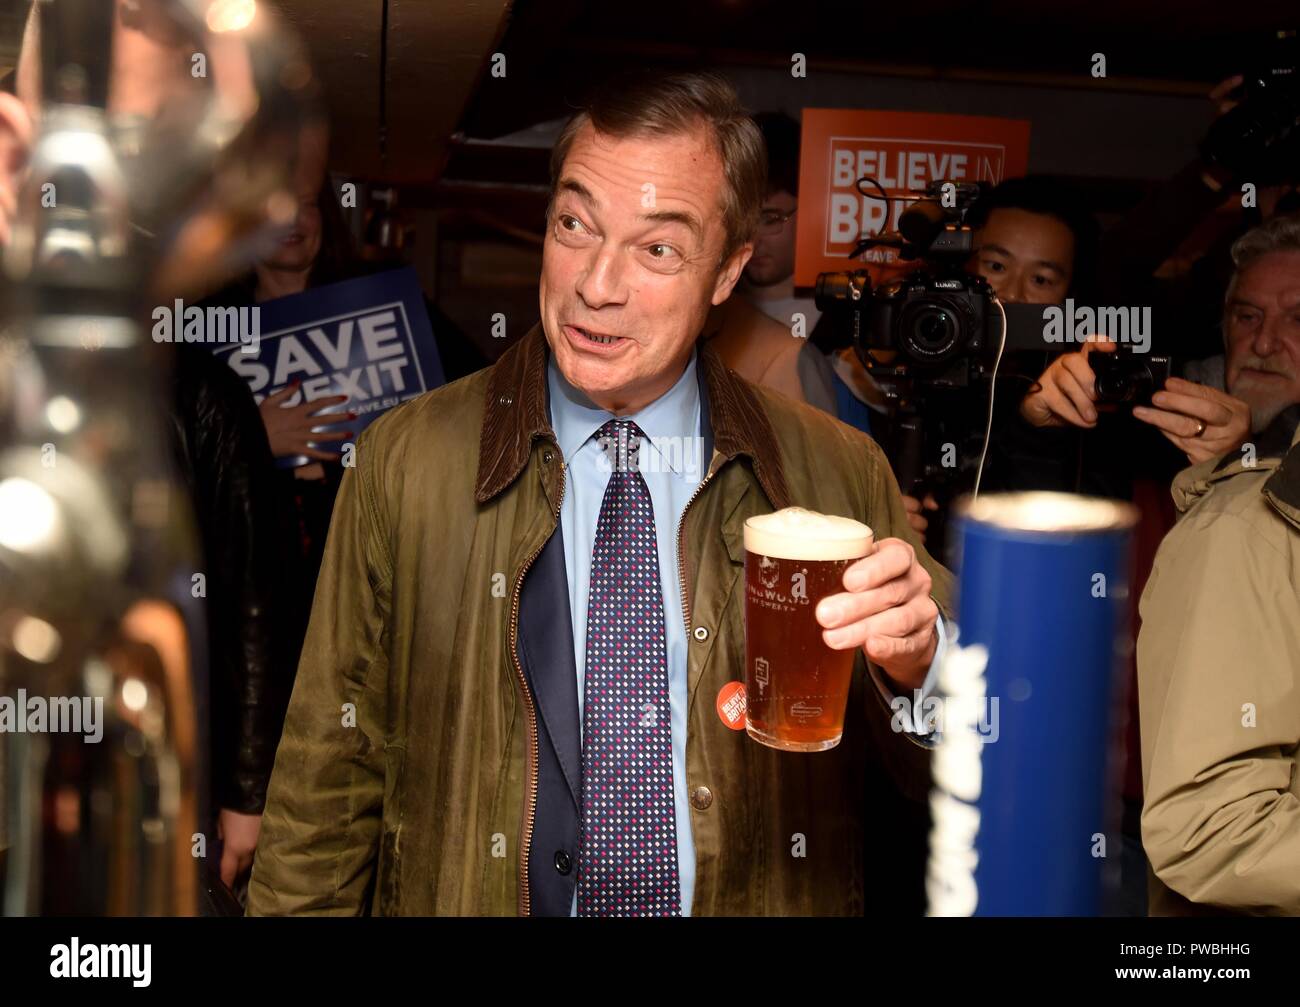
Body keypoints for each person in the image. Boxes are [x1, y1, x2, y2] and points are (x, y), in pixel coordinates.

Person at [247, 71, 954, 917]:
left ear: (728, 271)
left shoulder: (837, 471)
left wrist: (922, 671)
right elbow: (326, 779)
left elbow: (953, 779)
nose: (596, 284)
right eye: (575, 225)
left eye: (656, 248)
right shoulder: (403, 460)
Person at [1137, 214, 1300, 915]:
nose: (1264, 342)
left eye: (1298, 318)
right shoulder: (1242, 524)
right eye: (1247, 316)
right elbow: (1204, 829)